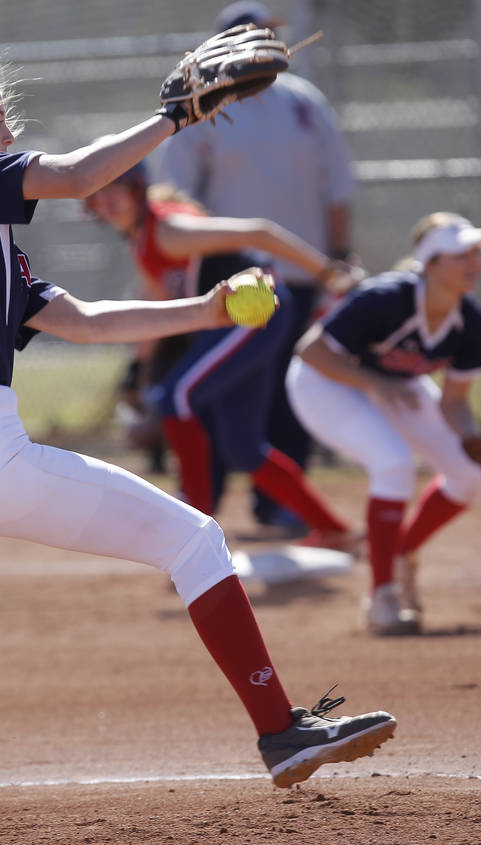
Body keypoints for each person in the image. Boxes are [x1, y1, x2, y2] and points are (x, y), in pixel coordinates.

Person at [0, 59, 395, 789]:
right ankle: (281, 731)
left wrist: (205, 311)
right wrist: (175, 117)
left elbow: (81, 321)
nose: (9, 132)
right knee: (194, 538)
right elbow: (83, 175)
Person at [157, 0, 358, 534]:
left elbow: (336, 188)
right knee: (214, 394)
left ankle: (280, 509)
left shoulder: (306, 102)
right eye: (252, 37)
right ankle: (205, 507)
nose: (263, 46)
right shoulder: (202, 107)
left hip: (301, 275)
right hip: (231, 279)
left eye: (268, 36)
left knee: (289, 393)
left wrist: (337, 258)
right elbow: (175, 195)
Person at [83, 163, 359, 547]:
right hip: (240, 319)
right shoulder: (142, 239)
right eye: (99, 191)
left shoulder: (167, 230)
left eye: (118, 188)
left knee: (176, 399)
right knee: (243, 447)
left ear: (138, 190)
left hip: (256, 311)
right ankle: (331, 529)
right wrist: (137, 372)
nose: (107, 200)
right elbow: (156, 303)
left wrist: (328, 272)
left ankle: (196, 534)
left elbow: (260, 231)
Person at [286, 212, 481, 635]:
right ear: (431, 262)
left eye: (476, 253)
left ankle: (402, 553)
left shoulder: (473, 324)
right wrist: (376, 382)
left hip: (395, 387)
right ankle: (382, 598)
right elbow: (311, 351)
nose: (473, 262)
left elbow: (454, 402)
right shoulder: (385, 298)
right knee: (393, 462)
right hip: (323, 385)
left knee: (475, 474)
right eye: (461, 253)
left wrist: (476, 442)